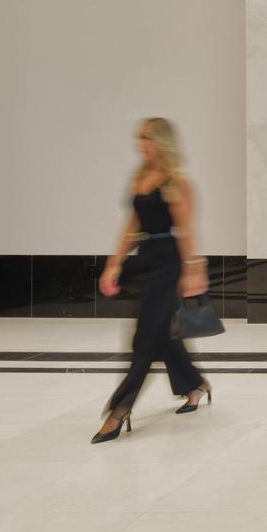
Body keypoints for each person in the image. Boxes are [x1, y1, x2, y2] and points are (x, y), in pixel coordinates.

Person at [92, 117, 210, 442]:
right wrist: (113, 265)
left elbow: (185, 230)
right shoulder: (141, 178)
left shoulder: (177, 182)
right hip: (146, 260)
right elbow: (132, 226)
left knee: (143, 339)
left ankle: (120, 409)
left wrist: (193, 269)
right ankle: (194, 383)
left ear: (163, 143)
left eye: (148, 139)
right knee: (162, 334)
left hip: (170, 264)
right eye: (140, 139)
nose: (142, 145)